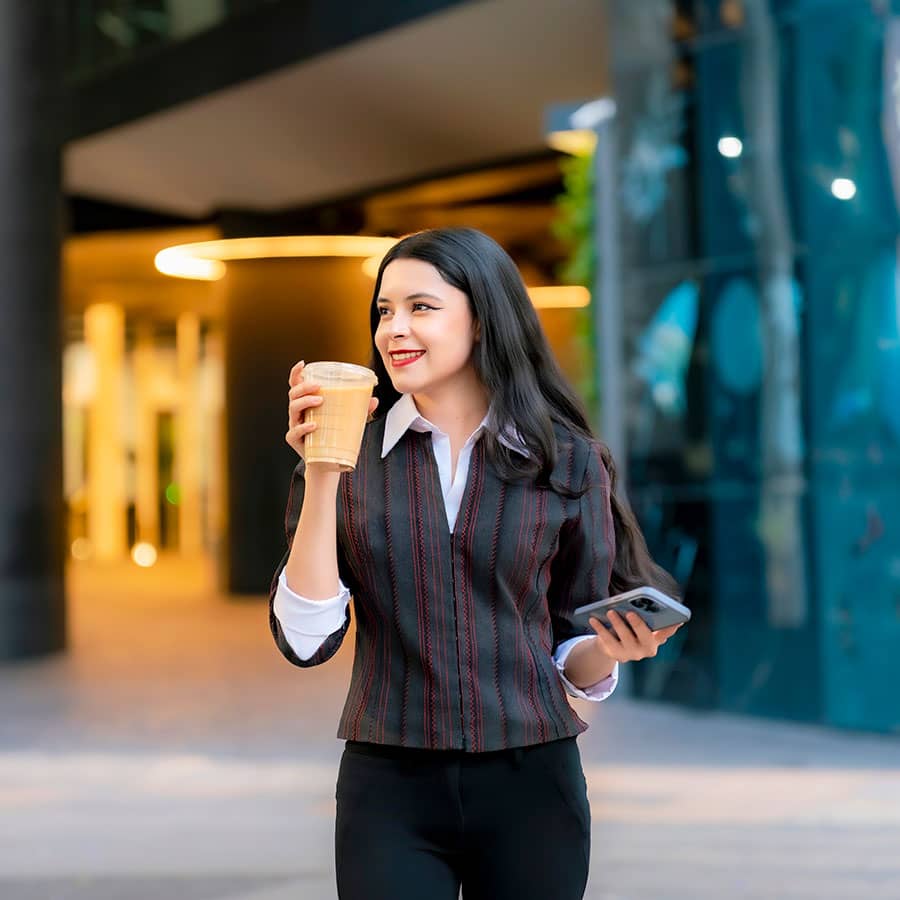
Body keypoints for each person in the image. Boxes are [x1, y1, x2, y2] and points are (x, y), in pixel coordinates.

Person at [269, 227, 684, 900]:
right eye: (384, 310)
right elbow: (306, 639)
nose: (394, 329)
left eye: (420, 307)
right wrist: (322, 470)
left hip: (533, 788)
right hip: (388, 789)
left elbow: (572, 650)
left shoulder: (570, 462)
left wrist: (611, 650)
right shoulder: (346, 465)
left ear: (484, 320)